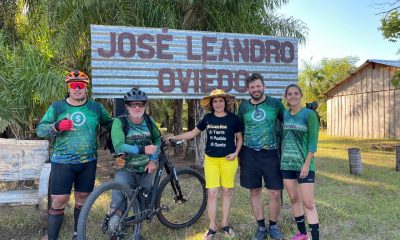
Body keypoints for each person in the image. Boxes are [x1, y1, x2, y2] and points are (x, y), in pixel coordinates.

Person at [36, 70, 113, 240]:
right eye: (73, 85)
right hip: (63, 162)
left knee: (83, 200)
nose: (77, 89)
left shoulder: (96, 107)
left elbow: (111, 124)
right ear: (69, 88)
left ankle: (78, 236)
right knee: (58, 200)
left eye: (81, 85)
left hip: (88, 161)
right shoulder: (58, 107)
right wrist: (56, 126)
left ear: (86, 88)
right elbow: (40, 129)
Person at [169, 89, 243, 240]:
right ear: (211, 104)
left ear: (225, 102)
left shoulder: (234, 119)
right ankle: (212, 227)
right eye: (215, 101)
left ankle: (225, 224)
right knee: (212, 193)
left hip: (229, 161)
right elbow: (192, 133)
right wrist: (174, 137)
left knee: (227, 192)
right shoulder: (207, 118)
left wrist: (236, 153)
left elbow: (240, 139)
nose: (218, 103)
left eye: (220, 100)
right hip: (211, 161)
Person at [107, 88, 161, 237]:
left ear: (144, 106)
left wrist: (152, 160)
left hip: (144, 168)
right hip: (124, 166)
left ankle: (137, 230)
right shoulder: (120, 122)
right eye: (133, 104)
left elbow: (157, 140)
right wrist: (143, 149)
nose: (137, 107)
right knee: (119, 199)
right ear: (127, 106)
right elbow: (119, 146)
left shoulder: (149, 121)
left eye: (140, 104)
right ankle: (115, 227)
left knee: (143, 203)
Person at [237, 73, 285, 240]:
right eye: (252, 87)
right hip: (249, 154)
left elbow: (288, 121)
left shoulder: (275, 104)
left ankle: (273, 226)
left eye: (258, 86)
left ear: (263, 86)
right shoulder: (243, 107)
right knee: (255, 190)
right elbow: (239, 131)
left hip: (271, 153)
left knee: (275, 192)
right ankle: (260, 227)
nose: (255, 89)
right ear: (248, 89)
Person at [281, 84, 320, 240]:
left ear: (301, 95)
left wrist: (306, 164)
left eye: (296, 93)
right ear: (286, 97)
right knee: (294, 199)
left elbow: (313, 141)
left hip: (304, 165)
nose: (293, 96)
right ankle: (302, 234)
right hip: (286, 164)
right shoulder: (285, 114)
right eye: (289, 94)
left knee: (309, 202)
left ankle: (315, 237)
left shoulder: (309, 114)